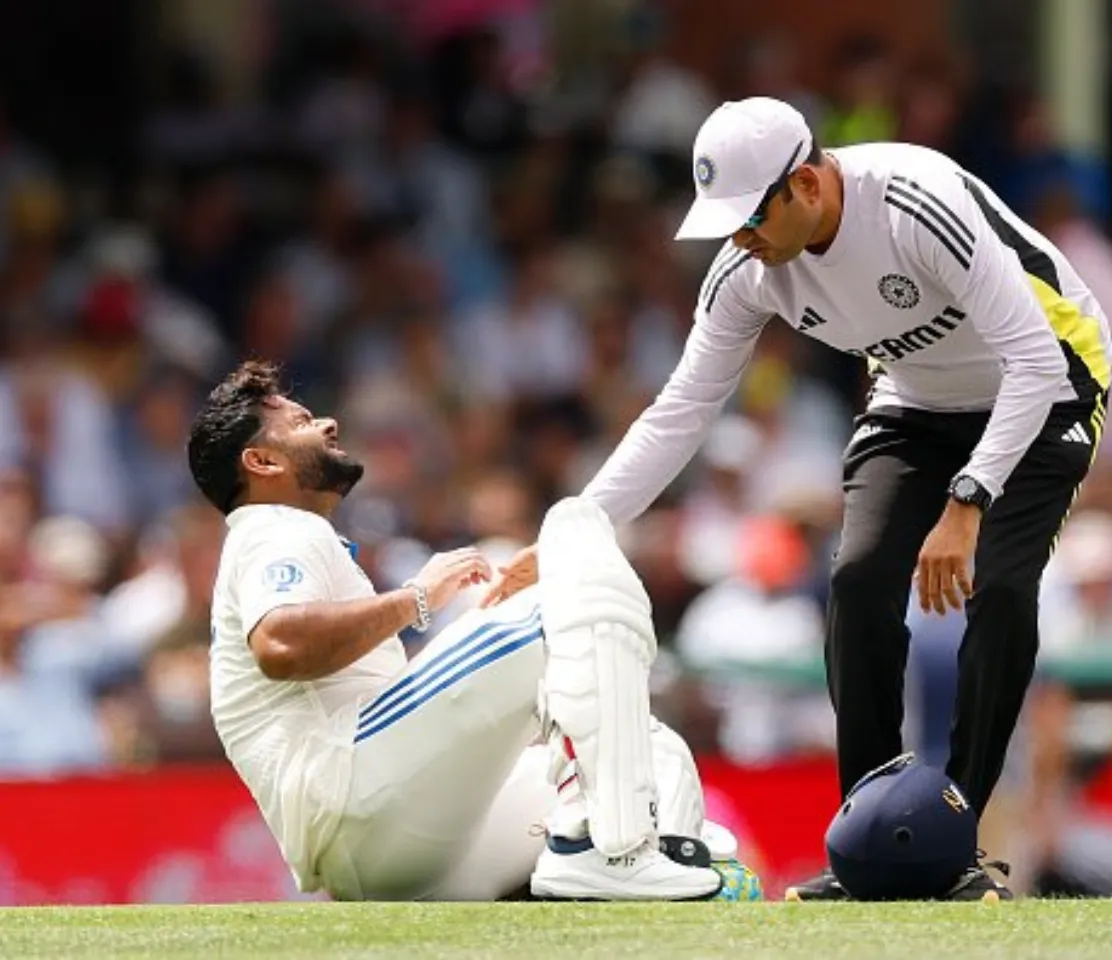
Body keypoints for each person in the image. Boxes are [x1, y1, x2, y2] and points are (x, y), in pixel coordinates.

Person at [483, 97, 1112, 901]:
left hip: (1050, 380)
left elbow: (1031, 360)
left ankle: (953, 839)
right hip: (917, 401)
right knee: (855, 581)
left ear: (808, 184)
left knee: (1001, 585)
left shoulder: (917, 205)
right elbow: (680, 412)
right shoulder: (747, 271)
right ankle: (869, 841)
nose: (740, 239)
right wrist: (575, 530)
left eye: (750, 218)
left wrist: (967, 503)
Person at [186, 360, 726, 902]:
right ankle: (614, 852)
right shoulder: (272, 528)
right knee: (574, 553)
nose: (326, 422)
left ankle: (650, 858)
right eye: (300, 421)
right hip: (357, 801)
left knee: (654, 753)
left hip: (402, 846)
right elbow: (280, 645)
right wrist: (417, 600)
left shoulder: (289, 533)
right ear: (260, 460)